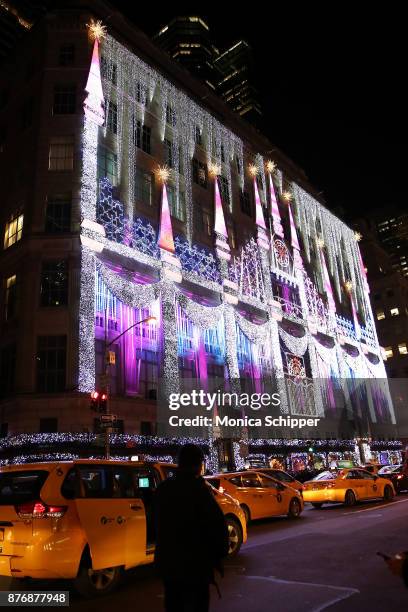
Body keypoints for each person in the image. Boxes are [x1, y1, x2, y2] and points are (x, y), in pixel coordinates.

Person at [154, 444, 229, 612]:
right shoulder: (199, 491)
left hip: (170, 565)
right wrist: (218, 556)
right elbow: (217, 526)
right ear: (198, 464)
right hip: (195, 566)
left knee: (174, 604)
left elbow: (155, 522)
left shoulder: (164, 489)